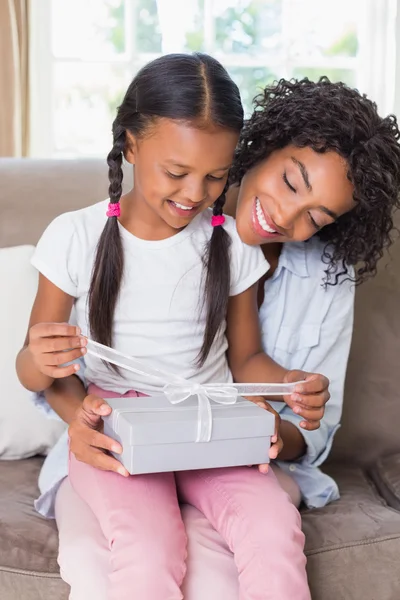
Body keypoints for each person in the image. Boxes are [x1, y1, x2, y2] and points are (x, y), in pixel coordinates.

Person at [30, 75, 400, 600]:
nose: (286, 217)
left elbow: (251, 364)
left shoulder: (238, 249)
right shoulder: (85, 235)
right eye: (292, 184)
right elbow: (38, 366)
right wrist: (60, 385)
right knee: (137, 552)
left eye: (316, 216)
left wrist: (291, 391)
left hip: (214, 431)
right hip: (123, 434)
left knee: (267, 537)